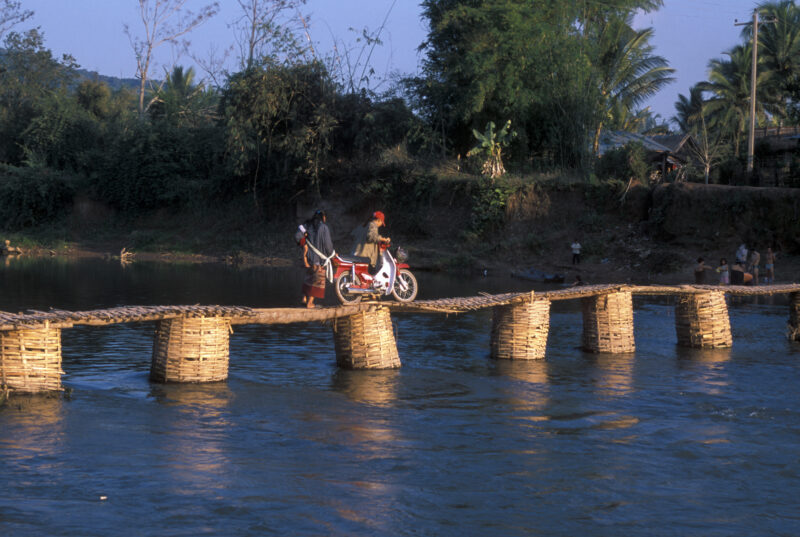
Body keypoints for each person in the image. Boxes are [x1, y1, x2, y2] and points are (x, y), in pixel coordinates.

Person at [302, 210, 335, 308]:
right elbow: (328, 245)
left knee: (308, 279)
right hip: (318, 259)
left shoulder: (308, 226)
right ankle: (310, 303)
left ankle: (303, 299)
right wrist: (332, 253)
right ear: (323, 217)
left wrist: (304, 247)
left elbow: (298, 236)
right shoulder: (324, 227)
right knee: (317, 280)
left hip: (309, 258)